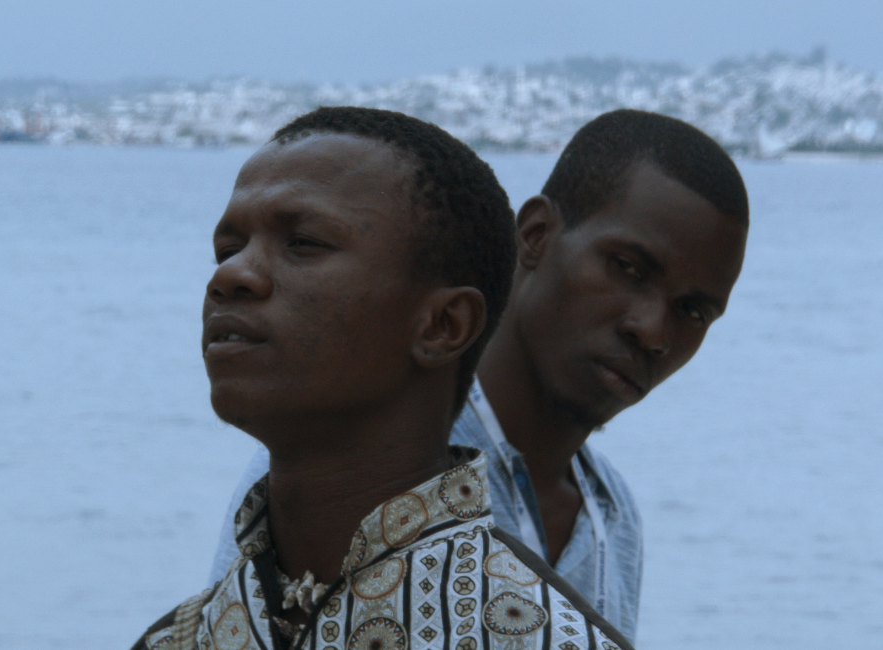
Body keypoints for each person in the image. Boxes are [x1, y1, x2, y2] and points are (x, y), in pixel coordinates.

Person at [207, 109, 751, 643]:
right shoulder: (354, 466)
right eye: (627, 268)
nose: (653, 331)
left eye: (693, 311)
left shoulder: (611, 511)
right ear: (534, 236)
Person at [133, 107, 635, 650]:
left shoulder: (540, 639)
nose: (230, 275)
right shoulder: (179, 640)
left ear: (444, 325)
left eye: (302, 243)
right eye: (229, 249)